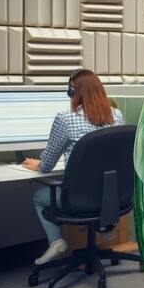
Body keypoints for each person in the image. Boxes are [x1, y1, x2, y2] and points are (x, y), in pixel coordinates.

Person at [24, 69, 124, 264]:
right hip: (111, 197)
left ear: (73, 92)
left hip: (79, 200)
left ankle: (56, 242)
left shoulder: (65, 118)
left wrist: (37, 163)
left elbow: (47, 165)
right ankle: (105, 227)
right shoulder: (116, 115)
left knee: (38, 197)